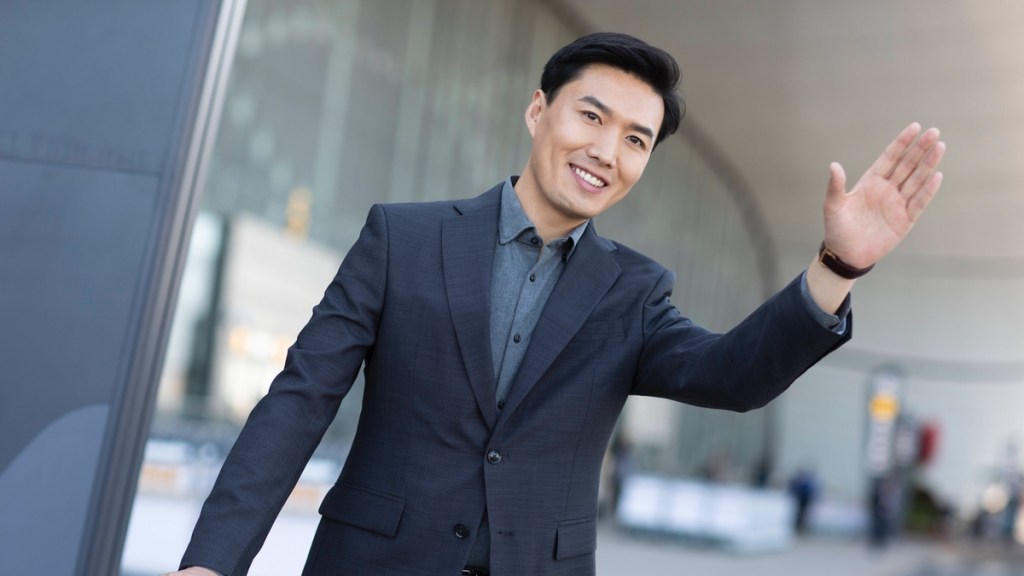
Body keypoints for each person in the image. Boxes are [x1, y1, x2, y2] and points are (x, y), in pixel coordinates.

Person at [166, 31, 946, 576]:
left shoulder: (634, 291)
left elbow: (730, 377)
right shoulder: (403, 239)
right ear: (540, 111)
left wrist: (838, 264)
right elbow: (298, 402)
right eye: (592, 117)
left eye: (637, 140)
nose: (607, 152)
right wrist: (212, 561)